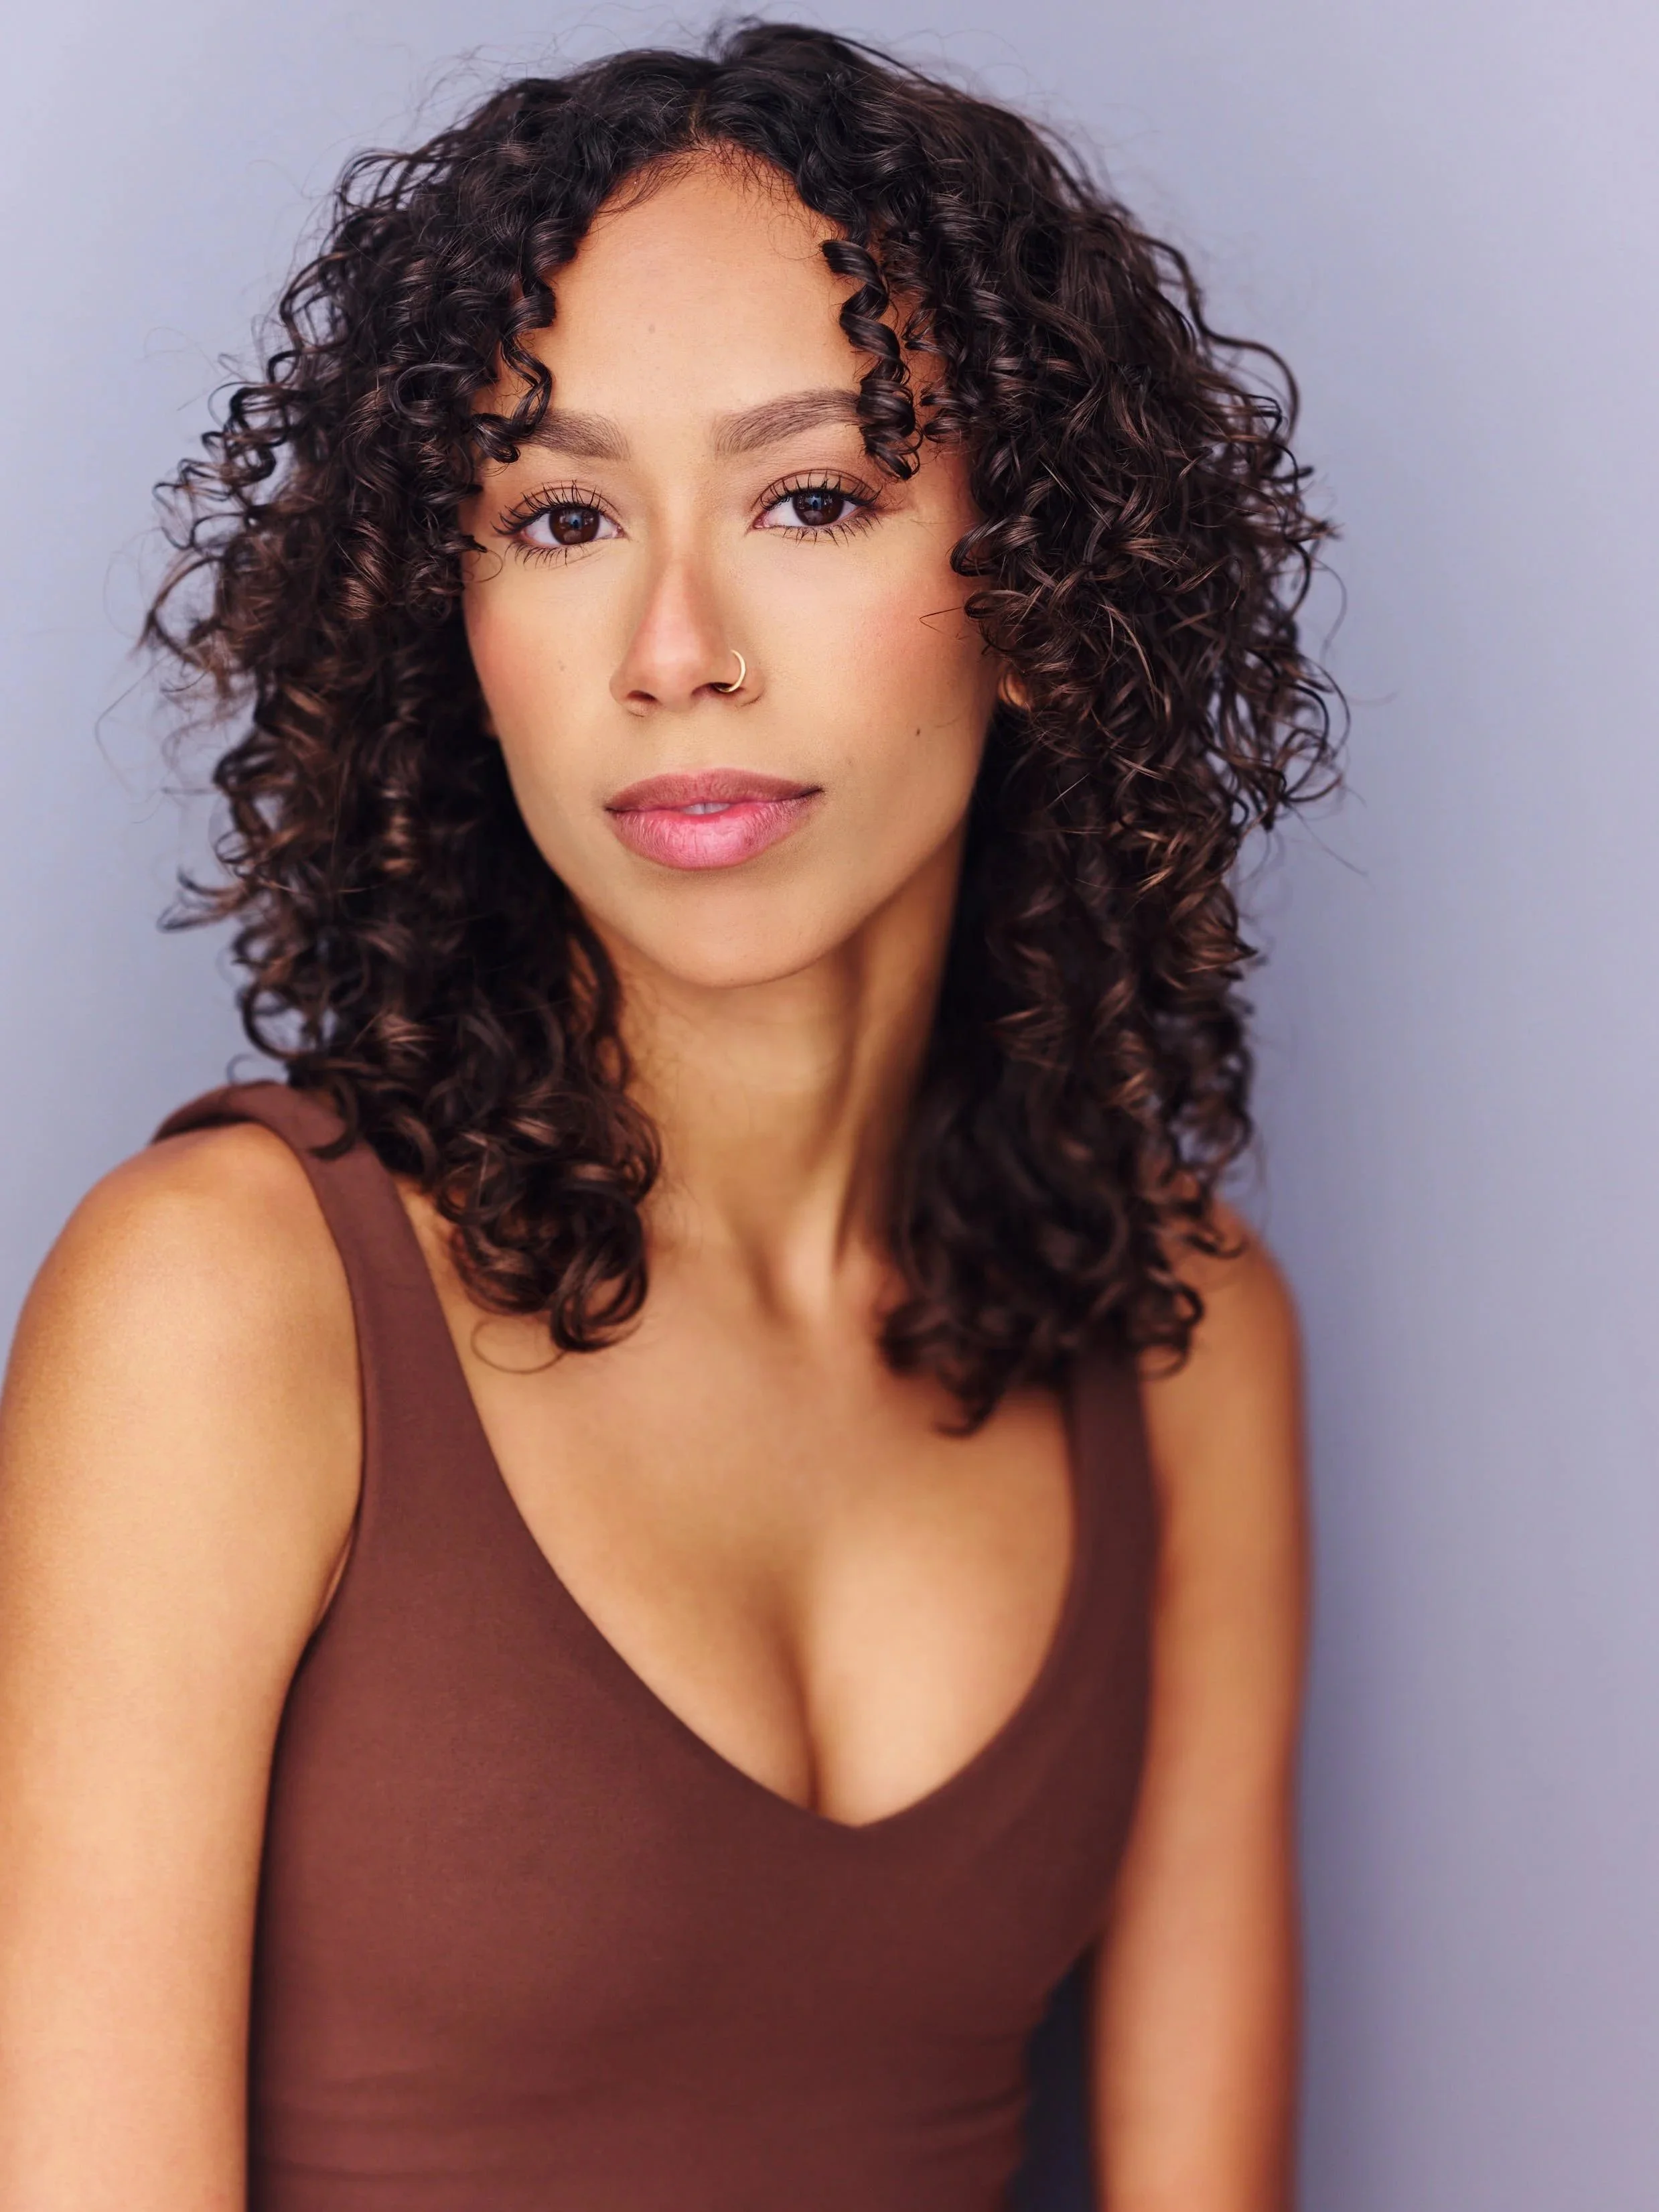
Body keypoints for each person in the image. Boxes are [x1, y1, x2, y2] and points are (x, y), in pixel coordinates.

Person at [0, 23, 1333, 2211]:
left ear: (1040, 597)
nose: (674, 644)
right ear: (457, 616)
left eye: (813, 495)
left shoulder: (1180, 1324)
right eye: (559, 513)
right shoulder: (228, 1307)